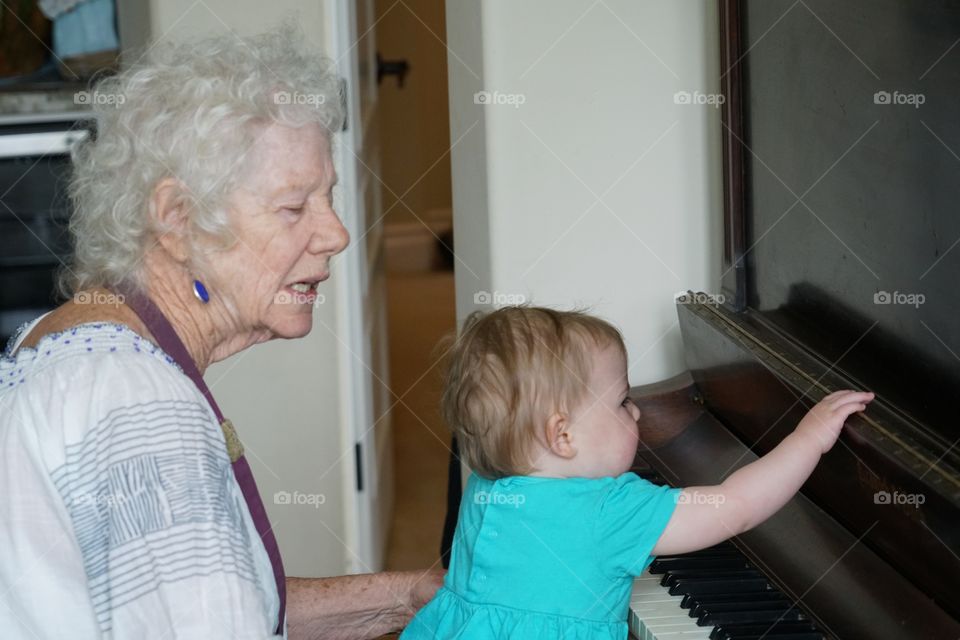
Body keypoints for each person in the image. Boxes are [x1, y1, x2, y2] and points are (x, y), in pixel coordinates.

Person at [0, 27, 441, 639]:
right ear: (179, 220)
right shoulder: (141, 410)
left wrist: (404, 597)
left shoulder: (68, 341)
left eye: (329, 197)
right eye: (294, 207)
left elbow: (199, 604)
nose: (336, 233)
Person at [401, 306, 873, 639]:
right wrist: (808, 439)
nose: (639, 413)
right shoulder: (610, 510)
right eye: (623, 402)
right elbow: (737, 506)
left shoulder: (486, 488)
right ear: (563, 436)